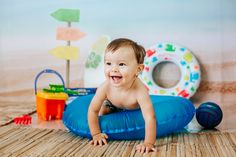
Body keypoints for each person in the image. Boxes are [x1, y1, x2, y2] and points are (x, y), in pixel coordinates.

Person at [88, 38, 156, 153]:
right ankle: (109, 109)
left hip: (134, 108)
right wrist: (96, 133)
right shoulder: (105, 87)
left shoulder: (140, 90)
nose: (114, 69)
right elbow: (92, 110)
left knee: (145, 113)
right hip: (112, 104)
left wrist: (148, 143)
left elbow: (150, 118)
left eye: (121, 64)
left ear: (138, 69)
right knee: (102, 111)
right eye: (108, 63)